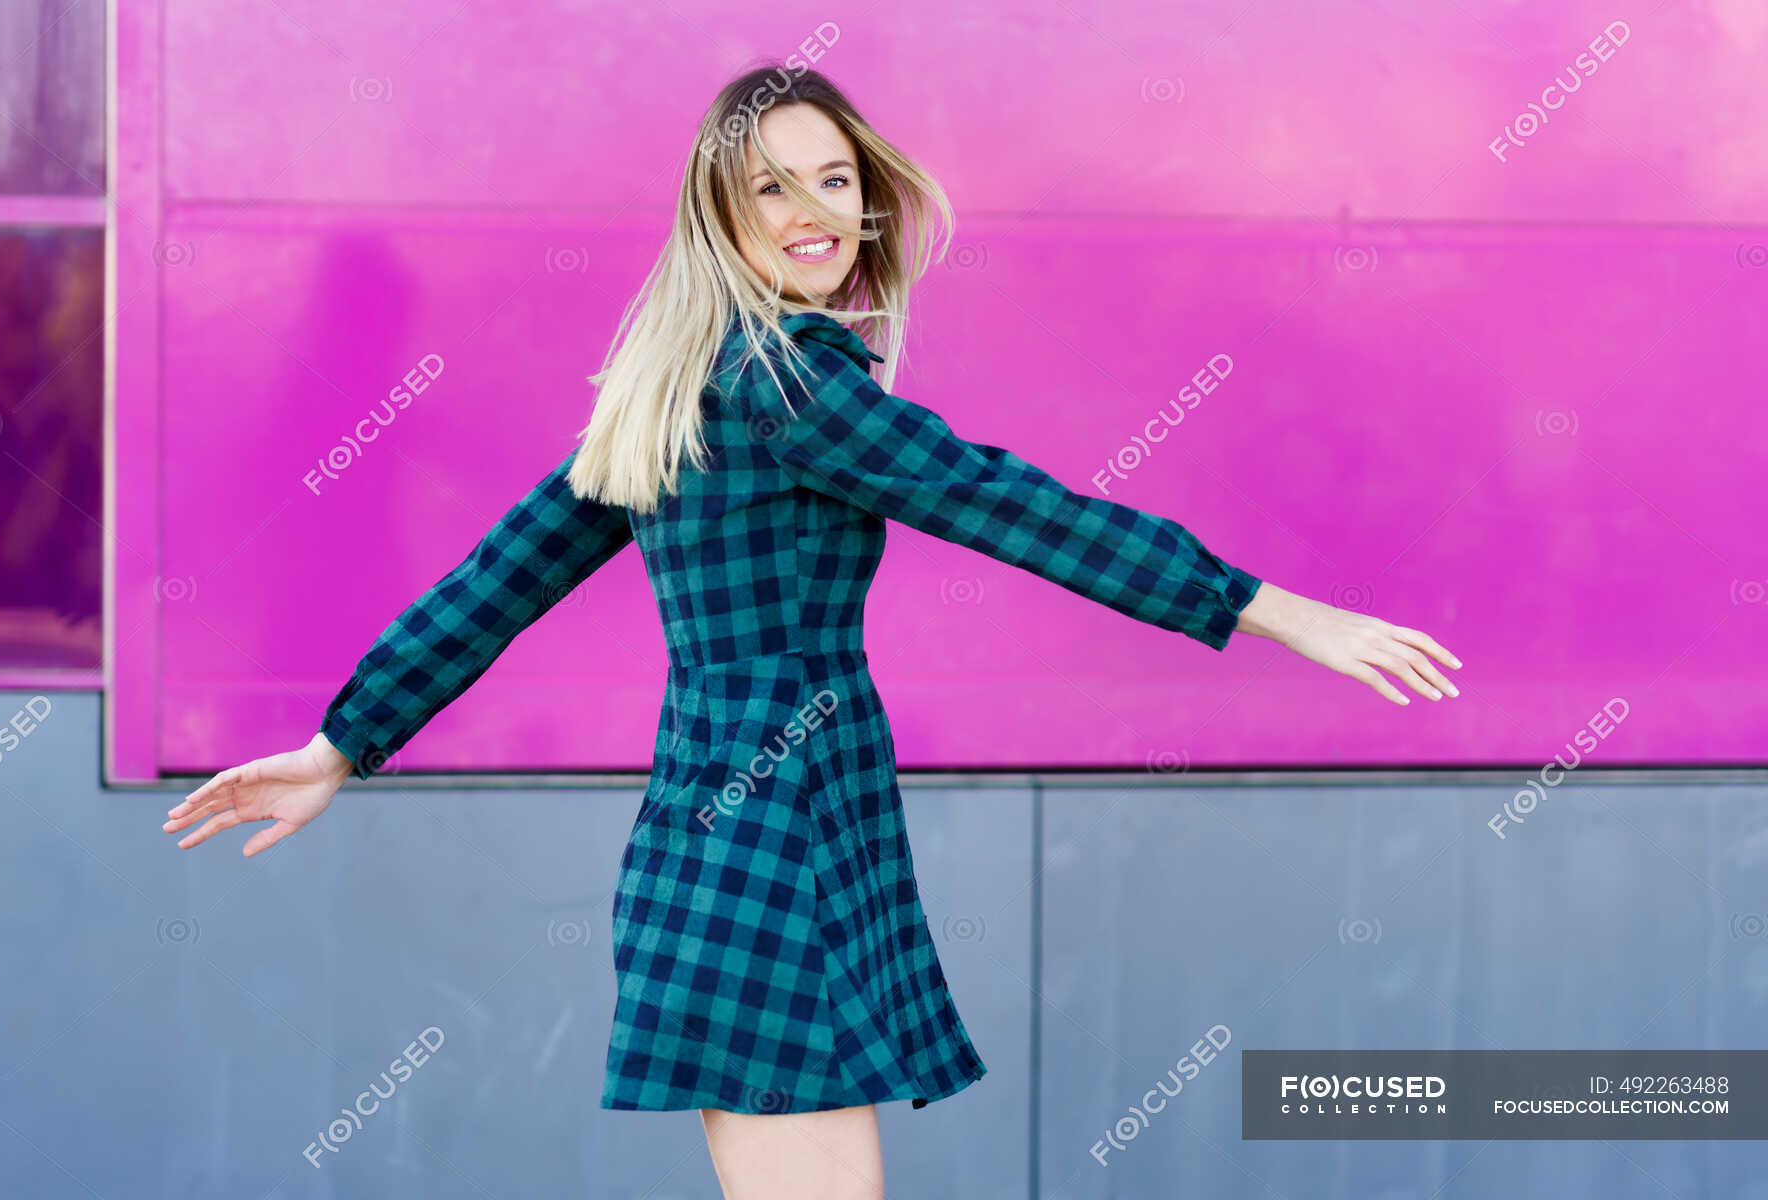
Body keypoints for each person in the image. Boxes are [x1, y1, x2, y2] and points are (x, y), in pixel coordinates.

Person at [164, 64, 1461, 1200]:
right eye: (773, 189)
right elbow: (1011, 503)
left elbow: (492, 582)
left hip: (715, 813)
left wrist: (345, 741)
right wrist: (1275, 609)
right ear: (720, 216)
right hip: (786, 820)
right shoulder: (790, 384)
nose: (813, 215)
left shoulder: (675, 385)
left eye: (834, 182)